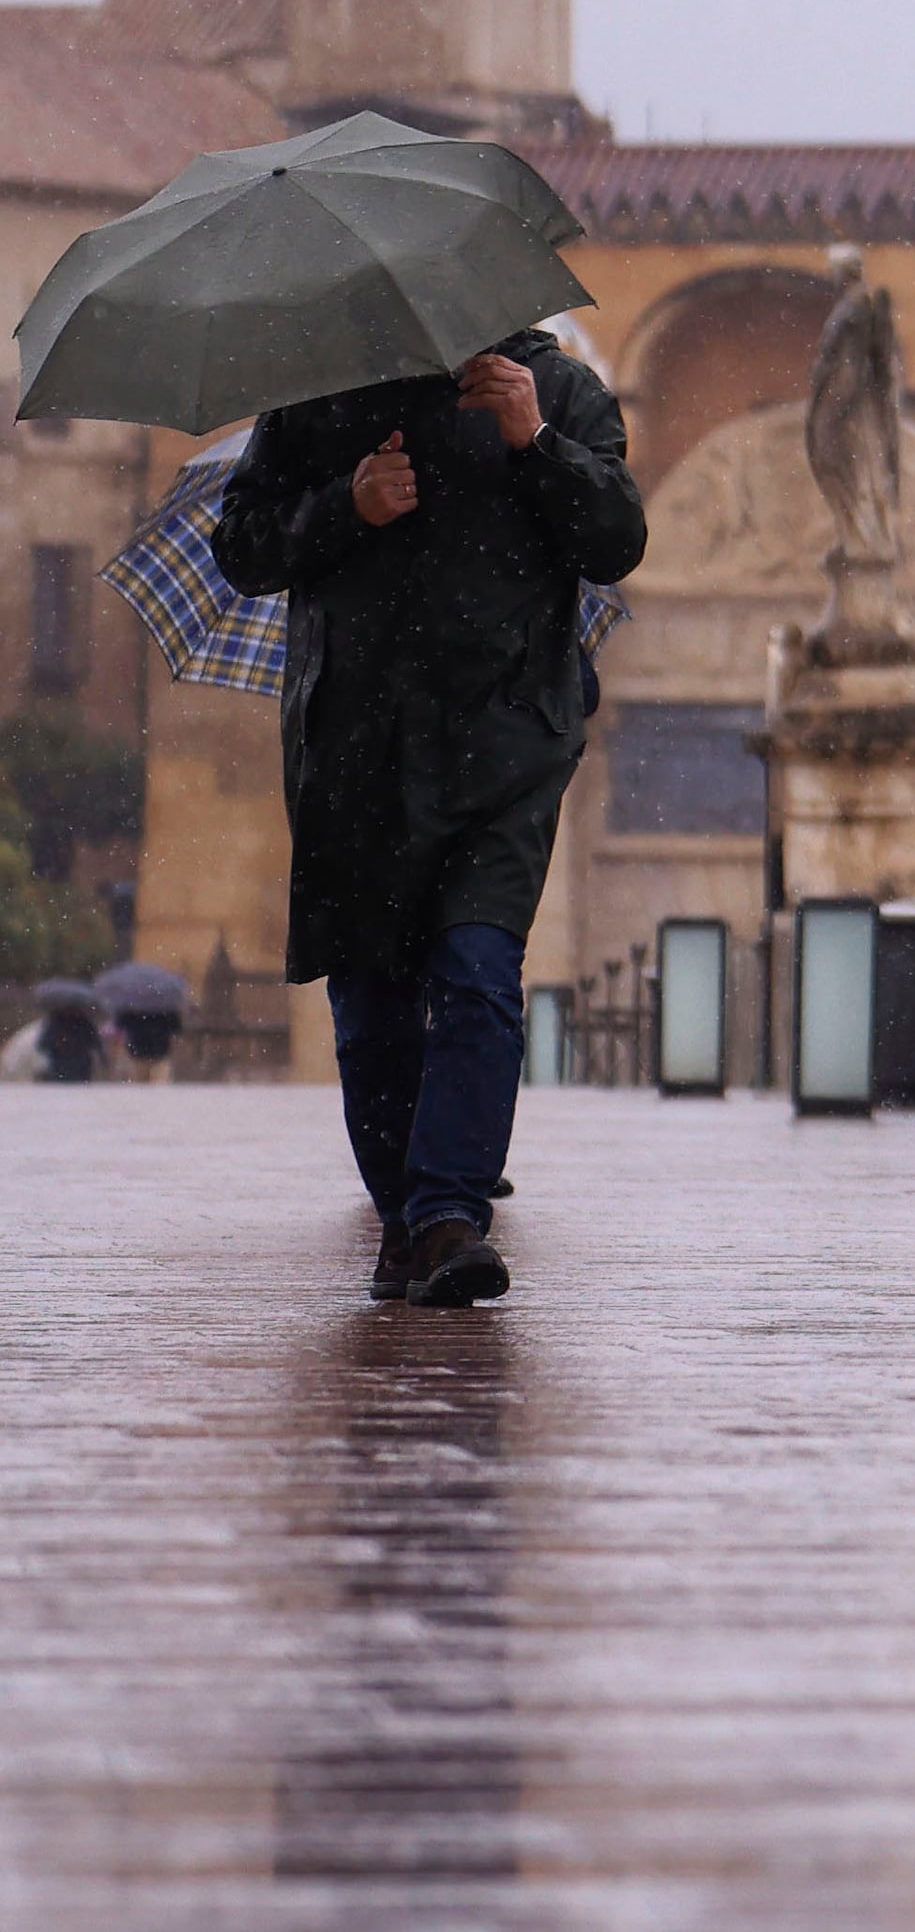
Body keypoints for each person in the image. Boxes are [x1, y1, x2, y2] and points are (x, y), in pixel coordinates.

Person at [211, 333, 646, 1307]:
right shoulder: (319, 391)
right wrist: (344, 506)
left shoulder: (561, 393)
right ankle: (407, 1214)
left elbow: (617, 537)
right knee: (371, 1008)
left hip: (507, 749)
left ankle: (448, 1214)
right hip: (356, 755)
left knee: (478, 974)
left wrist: (533, 440)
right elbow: (240, 542)